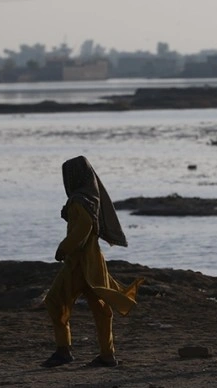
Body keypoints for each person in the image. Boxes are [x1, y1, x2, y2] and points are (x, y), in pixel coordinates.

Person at [41, 156, 144, 368]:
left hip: (78, 263)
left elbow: (84, 227)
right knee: (101, 308)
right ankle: (107, 355)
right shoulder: (91, 198)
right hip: (95, 261)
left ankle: (63, 351)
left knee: (55, 301)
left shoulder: (79, 200)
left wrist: (63, 248)